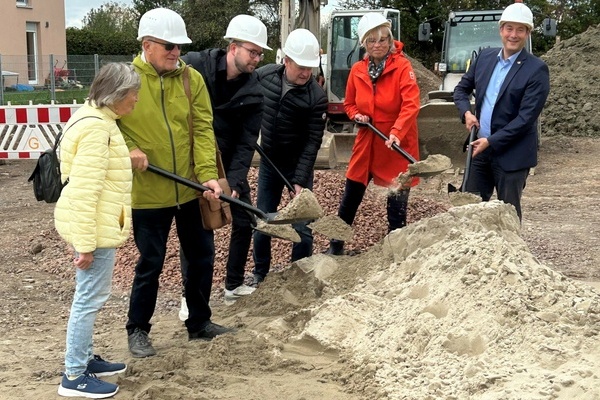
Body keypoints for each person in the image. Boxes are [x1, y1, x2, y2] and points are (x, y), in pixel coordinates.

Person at [118, 8, 233, 359]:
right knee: (150, 262)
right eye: (169, 46)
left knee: (201, 256)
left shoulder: (191, 79)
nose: (176, 52)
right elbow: (104, 124)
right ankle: (138, 329)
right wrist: (129, 149)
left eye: (179, 46)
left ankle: (199, 322)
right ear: (147, 45)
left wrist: (207, 176)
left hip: (188, 188)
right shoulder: (125, 80)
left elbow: (201, 129)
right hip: (147, 192)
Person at [54, 62, 141, 398]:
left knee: (90, 297)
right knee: (88, 300)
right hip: (94, 229)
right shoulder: (97, 130)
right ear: (116, 94)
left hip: (99, 224)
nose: (135, 100)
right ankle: (74, 376)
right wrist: (86, 244)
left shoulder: (98, 119)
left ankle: (85, 360)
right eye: (132, 94)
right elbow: (85, 190)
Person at [179, 15, 270, 310]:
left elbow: (247, 142)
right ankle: (188, 296)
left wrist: (232, 181)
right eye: (252, 51)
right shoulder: (196, 65)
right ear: (233, 48)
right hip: (192, 160)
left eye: (260, 54)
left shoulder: (255, 90)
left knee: (244, 219)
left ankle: (233, 284)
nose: (256, 58)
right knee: (198, 227)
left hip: (229, 160)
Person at [325, 13, 421, 256]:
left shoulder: (402, 68)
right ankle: (336, 246)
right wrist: (357, 115)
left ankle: (396, 247)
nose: (378, 45)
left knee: (396, 199)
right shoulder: (357, 70)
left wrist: (397, 131)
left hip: (395, 143)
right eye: (372, 41)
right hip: (367, 141)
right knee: (351, 194)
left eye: (383, 40)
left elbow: (411, 104)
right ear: (364, 44)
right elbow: (349, 104)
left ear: (390, 41)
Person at [453, 3, 550, 221]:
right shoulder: (485, 58)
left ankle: (510, 253)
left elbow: (526, 118)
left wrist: (492, 141)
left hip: (512, 154)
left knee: (507, 216)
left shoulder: (536, 70)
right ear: (501, 30)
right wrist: (466, 113)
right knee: (468, 210)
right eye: (509, 28)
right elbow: (461, 89)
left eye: (520, 30)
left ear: (527, 33)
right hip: (480, 150)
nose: (513, 35)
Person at [251, 28, 327, 286]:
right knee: (263, 219)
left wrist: (299, 179)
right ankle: (260, 274)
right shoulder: (263, 77)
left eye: (310, 67)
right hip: (269, 160)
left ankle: (299, 274)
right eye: (301, 67)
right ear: (286, 61)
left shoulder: (316, 97)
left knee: (302, 227)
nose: (306, 73)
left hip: (298, 165)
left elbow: (312, 142)